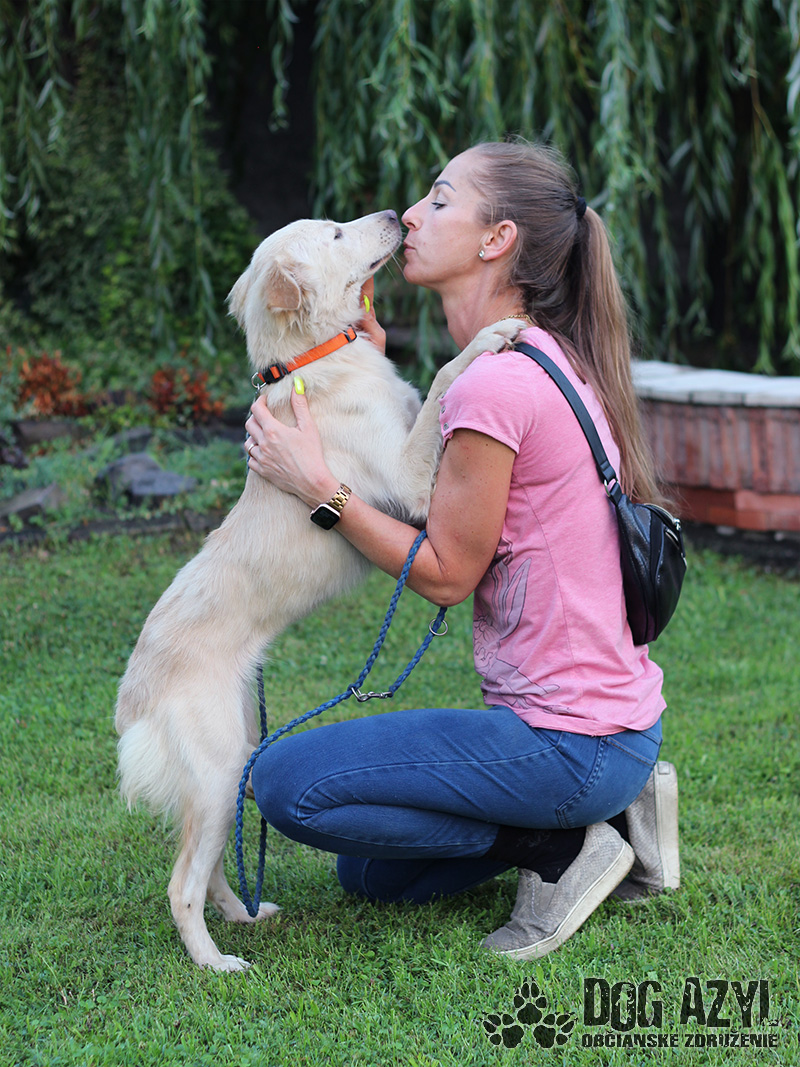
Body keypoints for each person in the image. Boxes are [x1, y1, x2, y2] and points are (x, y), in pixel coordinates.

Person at [243, 139, 679, 960]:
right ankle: (610, 815)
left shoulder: (493, 383)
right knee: (371, 873)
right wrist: (369, 376)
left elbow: (446, 573)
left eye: (440, 201)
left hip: (569, 742)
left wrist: (318, 489)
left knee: (286, 783)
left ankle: (563, 845)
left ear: (496, 239)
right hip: (607, 730)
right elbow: (429, 483)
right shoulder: (537, 351)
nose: (411, 214)